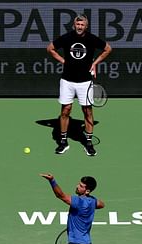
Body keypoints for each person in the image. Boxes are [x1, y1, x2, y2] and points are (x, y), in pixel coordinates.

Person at [47, 14, 112, 156]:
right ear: (74, 25)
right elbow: (50, 48)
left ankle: (88, 143)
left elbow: (108, 49)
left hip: (85, 82)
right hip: (67, 81)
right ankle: (63, 142)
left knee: (87, 111)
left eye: (82, 25)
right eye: (78, 24)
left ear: (86, 26)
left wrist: (95, 63)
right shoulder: (67, 38)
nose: (80, 27)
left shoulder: (91, 39)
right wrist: (63, 61)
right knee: (65, 111)